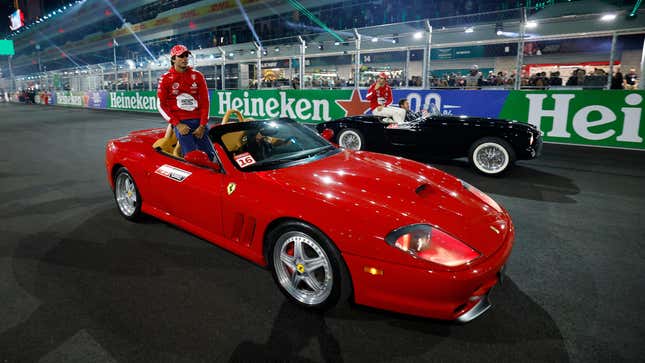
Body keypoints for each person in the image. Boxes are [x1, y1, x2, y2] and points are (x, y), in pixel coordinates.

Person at [157, 44, 215, 160]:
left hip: (199, 122)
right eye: (181, 56)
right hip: (181, 122)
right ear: (173, 59)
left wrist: (202, 125)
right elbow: (161, 105)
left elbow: (205, 102)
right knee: (191, 157)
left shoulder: (197, 76)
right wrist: (178, 125)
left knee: (210, 155)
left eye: (186, 56)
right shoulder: (165, 79)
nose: (185, 59)